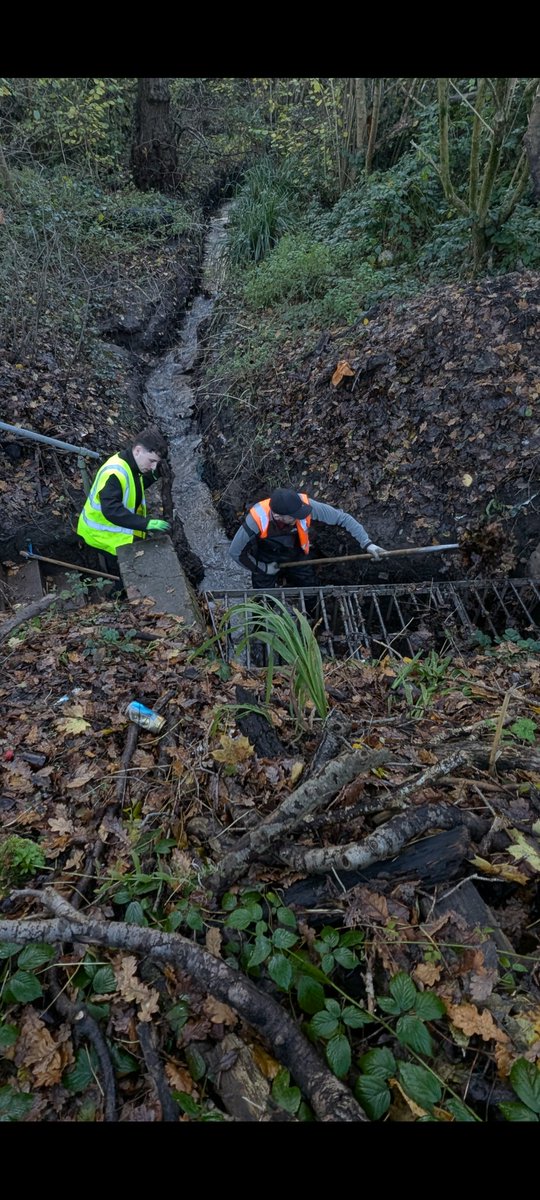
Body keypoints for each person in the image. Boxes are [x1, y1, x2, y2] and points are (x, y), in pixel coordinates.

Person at [229, 487, 387, 588]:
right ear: (278, 516)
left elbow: (342, 518)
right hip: (266, 557)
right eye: (294, 517)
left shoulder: (303, 506)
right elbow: (236, 552)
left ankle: (314, 619)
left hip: (297, 555)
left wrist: (367, 544)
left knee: (309, 585)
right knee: (262, 601)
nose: (300, 517)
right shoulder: (256, 520)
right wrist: (263, 568)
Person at [77, 427, 170, 579]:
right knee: (127, 576)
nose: (153, 466)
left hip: (111, 533)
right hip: (101, 536)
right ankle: (116, 599)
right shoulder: (114, 473)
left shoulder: (130, 464)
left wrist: (155, 475)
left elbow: (133, 486)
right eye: (152, 461)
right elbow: (112, 510)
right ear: (138, 450)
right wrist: (145, 523)